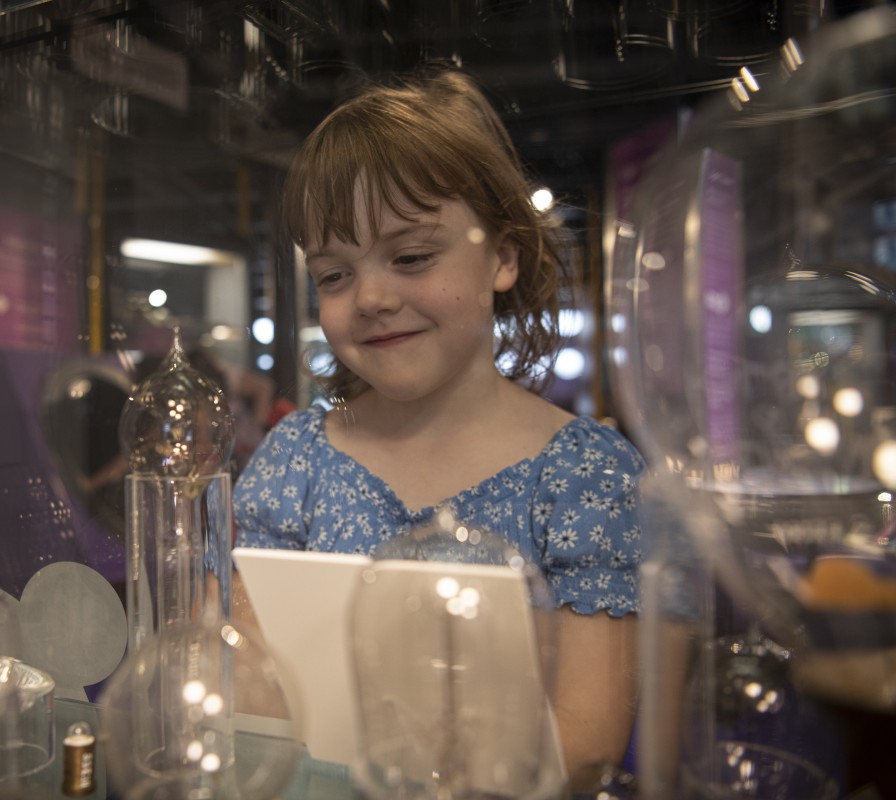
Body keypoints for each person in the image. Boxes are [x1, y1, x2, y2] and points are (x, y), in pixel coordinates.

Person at [231, 68, 645, 788]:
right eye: (334, 275)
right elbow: (247, 694)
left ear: (504, 257)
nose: (372, 298)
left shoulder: (587, 475)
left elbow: (586, 742)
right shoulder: (295, 456)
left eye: (412, 257)